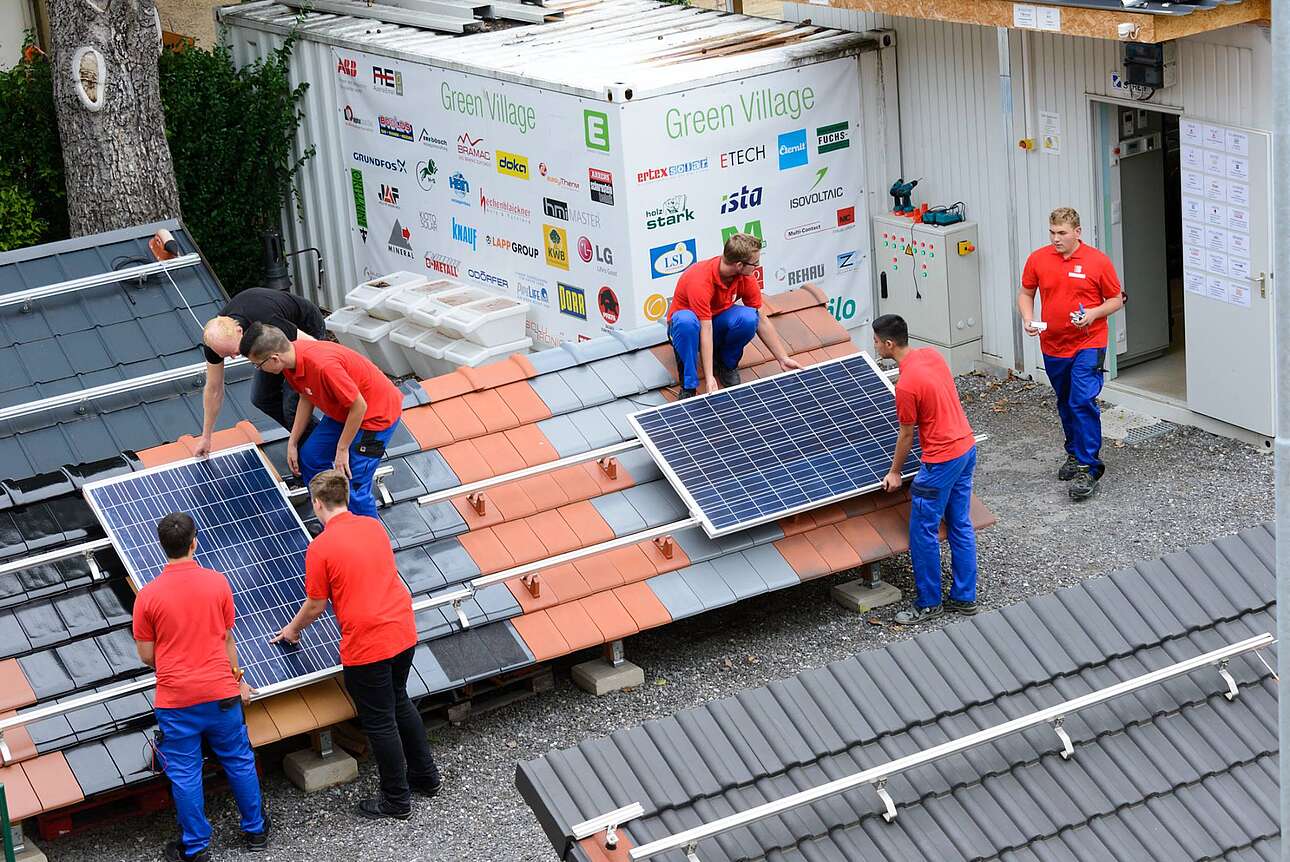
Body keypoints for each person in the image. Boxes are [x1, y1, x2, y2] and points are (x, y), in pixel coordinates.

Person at [270, 470, 440, 820]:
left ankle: (396, 799)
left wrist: (292, 630)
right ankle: (426, 777)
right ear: (345, 497)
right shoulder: (373, 526)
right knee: (399, 701)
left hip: (368, 642)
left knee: (379, 721)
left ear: (317, 503)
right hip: (401, 629)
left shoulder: (321, 547)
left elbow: (316, 603)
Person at [132, 513, 268, 861]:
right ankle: (255, 831)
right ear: (194, 542)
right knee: (239, 760)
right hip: (222, 692)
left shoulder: (147, 596)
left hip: (177, 699)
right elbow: (227, 638)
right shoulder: (218, 583)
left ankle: (196, 847)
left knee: (185, 773)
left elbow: (147, 655)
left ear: (161, 547)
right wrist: (237, 680)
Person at [872, 315, 979, 624]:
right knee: (959, 522)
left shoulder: (906, 386)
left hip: (942, 461)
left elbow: (906, 435)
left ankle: (929, 602)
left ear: (889, 344)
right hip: (966, 448)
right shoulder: (932, 356)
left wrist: (894, 472)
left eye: (877, 341)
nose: (875, 345)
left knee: (923, 530)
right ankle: (964, 596)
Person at [240, 323, 401, 518]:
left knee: (353, 484)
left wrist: (342, 450)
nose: (259, 369)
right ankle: (330, 516)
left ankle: (369, 539)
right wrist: (293, 441)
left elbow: (360, 406)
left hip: (374, 416)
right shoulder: (291, 363)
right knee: (310, 457)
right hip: (343, 411)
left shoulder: (323, 366)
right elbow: (306, 396)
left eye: (258, 364)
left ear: (274, 358)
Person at [1018, 207, 1124, 501]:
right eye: (1052, 232)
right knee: (1065, 401)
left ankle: (1089, 467)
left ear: (1078, 232)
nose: (1056, 238)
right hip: (1053, 343)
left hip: (1089, 342)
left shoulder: (1097, 262)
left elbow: (1116, 299)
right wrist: (1028, 318)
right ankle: (1075, 453)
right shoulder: (1038, 259)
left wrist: (1093, 314)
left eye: (1062, 233)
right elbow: (1026, 292)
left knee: (1081, 400)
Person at [196, 287, 328, 457]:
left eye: (236, 352)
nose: (234, 358)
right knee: (261, 397)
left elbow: (316, 348)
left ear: (240, 331)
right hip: (266, 344)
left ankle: (315, 452)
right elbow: (214, 389)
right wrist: (206, 437)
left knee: (291, 407)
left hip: (302, 331)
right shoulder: (215, 342)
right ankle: (313, 440)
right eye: (227, 356)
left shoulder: (266, 319)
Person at [667, 232, 801, 398]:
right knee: (685, 321)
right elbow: (705, 328)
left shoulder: (745, 277)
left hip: (715, 323)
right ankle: (689, 385)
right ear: (739, 265)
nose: (757, 266)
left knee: (749, 318)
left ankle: (726, 364)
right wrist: (709, 378)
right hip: (690, 328)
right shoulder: (700, 280)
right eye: (755, 263)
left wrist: (782, 358)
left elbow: (761, 319)